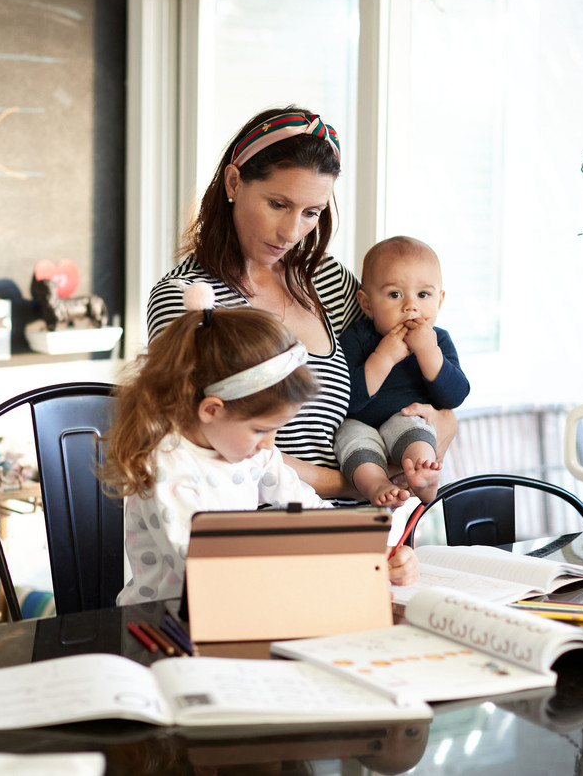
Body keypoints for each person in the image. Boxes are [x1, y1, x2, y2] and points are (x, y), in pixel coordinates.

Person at [146, 106, 456, 501]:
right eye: (278, 204)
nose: (292, 232)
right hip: (262, 528)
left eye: (311, 212)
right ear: (234, 181)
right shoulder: (187, 298)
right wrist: (363, 483)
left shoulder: (328, 281)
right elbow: (200, 445)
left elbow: (413, 373)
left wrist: (444, 421)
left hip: (365, 520)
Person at [104, 283, 418, 605]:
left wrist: (376, 554)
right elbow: (202, 569)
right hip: (163, 622)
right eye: (260, 429)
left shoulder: (254, 453)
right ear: (212, 410)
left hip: (238, 608)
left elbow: (312, 513)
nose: (270, 444)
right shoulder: (167, 468)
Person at [335, 237, 470, 507]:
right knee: (350, 439)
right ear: (367, 304)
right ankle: (377, 486)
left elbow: (454, 396)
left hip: (406, 418)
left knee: (415, 427)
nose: (411, 306)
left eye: (423, 295)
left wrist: (428, 353)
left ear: (440, 300)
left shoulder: (438, 341)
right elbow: (348, 401)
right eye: (395, 294)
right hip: (361, 423)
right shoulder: (357, 337)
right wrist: (383, 357)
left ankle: (425, 476)